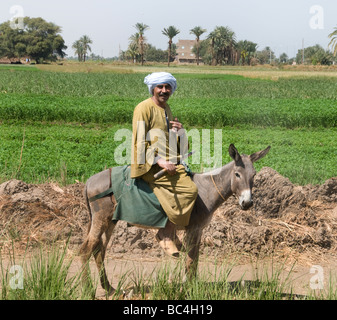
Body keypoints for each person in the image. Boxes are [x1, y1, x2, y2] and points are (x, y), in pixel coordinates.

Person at [131, 72, 198, 258]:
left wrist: (179, 131)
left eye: (167, 87)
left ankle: (171, 231)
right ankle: (165, 233)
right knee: (190, 191)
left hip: (167, 161)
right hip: (150, 166)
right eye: (160, 86)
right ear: (153, 88)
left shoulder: (166, 108)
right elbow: (139, 142)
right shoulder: (143, 108)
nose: (164, 90)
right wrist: (159, 161)